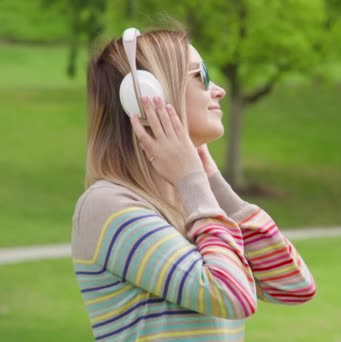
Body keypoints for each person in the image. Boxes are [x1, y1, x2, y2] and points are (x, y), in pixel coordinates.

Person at [71, 27, 316, 341]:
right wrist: (193, 181)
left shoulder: (192, 204)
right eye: (202, 75)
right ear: (148, 97)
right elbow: (233, 295)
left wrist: (209, 180)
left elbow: (294, 286)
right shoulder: (109, 207)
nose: (219, 90)